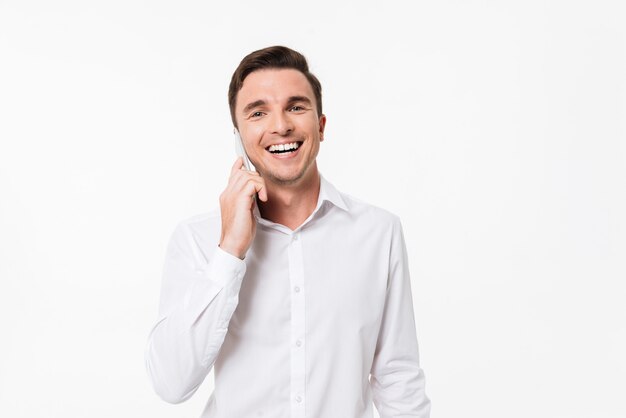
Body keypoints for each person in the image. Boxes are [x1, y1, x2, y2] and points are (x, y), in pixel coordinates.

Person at [144, 45, 431, 418]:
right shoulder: (198, 240)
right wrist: (229, 250)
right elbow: (171, 382)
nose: (280, 125)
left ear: (321, 126)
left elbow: (398, 379)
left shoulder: (379, 233)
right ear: (239, 135)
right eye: (258, 112)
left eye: (296, 107)